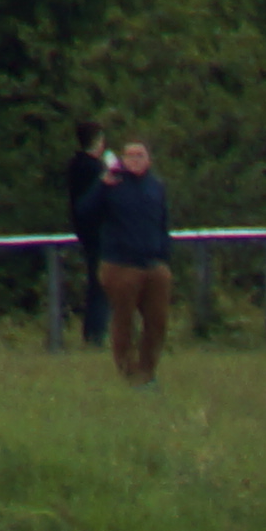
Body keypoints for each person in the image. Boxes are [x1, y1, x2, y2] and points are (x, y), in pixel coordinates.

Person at [94, 142, 177, 383]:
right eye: (130, 156)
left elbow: (163, 222)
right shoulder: (112, 185)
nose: (135, 160)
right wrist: (102, 186)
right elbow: (86, 212)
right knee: (124, 320)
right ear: (122, 160)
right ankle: (128, 372)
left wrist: (164, 254)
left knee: (157, 321)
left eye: (140, 155)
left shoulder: (156, 187)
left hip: (153, 263)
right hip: (121, 265)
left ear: (148, 159)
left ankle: (147, 371)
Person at [63, 121, 109, 348]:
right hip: (98, 233)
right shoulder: (95, 169)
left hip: (83, 231)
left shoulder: (75, 165)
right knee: (101, 286)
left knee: (96, 284)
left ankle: (93, 333)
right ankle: (96, 335)